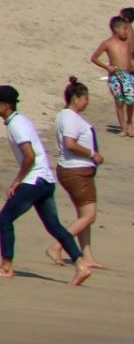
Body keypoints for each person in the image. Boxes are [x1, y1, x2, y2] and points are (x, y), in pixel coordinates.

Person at [1, 85, 90, 284]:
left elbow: (30, 156)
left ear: (5, 105)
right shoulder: (20, 121)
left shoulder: (16, 125)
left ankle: (6, 266)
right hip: (45, 181)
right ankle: (81, 265)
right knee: (54, 226)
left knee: (4, 219)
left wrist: (17, 181)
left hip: (34, 181)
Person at [49, 78, 102, 270]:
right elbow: (69, 143)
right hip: (76, 172)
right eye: (85, 98)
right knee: (89, 216)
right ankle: (57, 247)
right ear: (75, 98)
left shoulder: (66, 116)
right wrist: (92, 154)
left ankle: (87, 256)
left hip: (75, 171)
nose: (87, 102)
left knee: (83, 217)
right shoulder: (69, 117)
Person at [89, 14, 134, 138]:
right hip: (115, 75)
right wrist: (107, 67)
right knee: (119, 102)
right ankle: (123, 127)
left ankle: (129, 122)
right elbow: (94, 58)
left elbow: (131, 59)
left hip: (128, 75)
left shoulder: (127, 42)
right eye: (125, 29)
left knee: (130, 101)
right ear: (116, 29)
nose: (127, 31)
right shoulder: (107, 44)